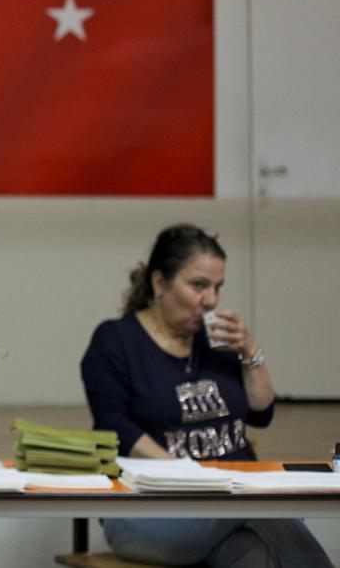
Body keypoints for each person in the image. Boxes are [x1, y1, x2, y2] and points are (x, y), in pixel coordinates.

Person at [81, 223, 333, 567]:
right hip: (150, 512)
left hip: (232, 500)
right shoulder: (115, 341)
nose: (211, 300)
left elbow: (262, 412)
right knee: (263, 509)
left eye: (217, 287)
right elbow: (113, 425)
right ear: (159, 283)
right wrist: (190, 475)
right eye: (199, 285)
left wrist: (249, 350)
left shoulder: (217, 341)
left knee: (253, 554)